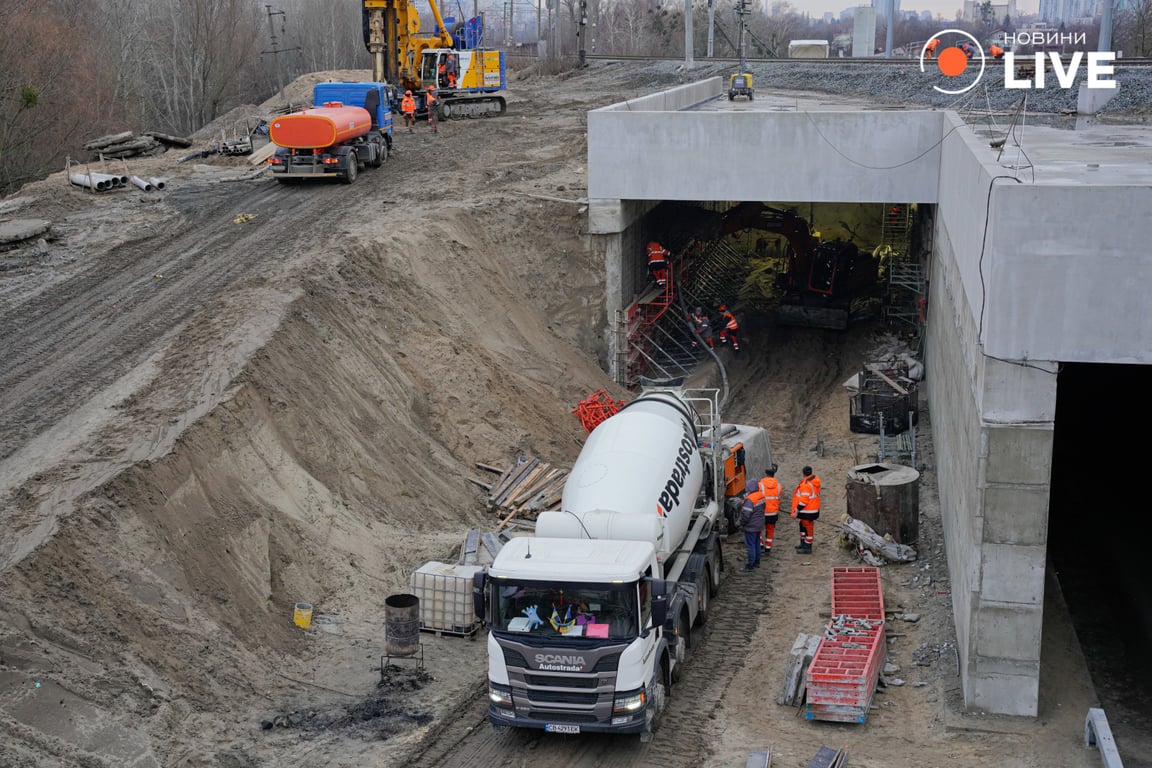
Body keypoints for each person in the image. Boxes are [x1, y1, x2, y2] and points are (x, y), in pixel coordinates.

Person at [791, 465, 821, 554]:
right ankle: (803, 543)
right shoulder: (814, 481)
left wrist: (796, 510)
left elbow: (804, 501)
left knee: (807, 528)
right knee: (803, 525)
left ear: (803, 473)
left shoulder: (806, 485)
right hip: (813, 509)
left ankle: (807, 547)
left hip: (807, 511)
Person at [739, 480, 766, 571]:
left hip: (751, 526)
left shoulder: (749, 499)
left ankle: (750, 565)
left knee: (750, 545)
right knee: (757, 543)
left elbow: (746, 515)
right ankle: (757, 562)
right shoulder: (761, 495)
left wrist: (742, 523)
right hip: (759, 524)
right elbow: (763, 507)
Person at [757, 464, 782, 555]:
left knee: (758, 529)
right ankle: (768, 547)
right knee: (770, 529)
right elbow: (778, 498)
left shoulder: (760, 484)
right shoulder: (779, 486)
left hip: (762, 512)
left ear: (766, 474)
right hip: (773, 512)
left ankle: (760, 545)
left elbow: (757, 497)